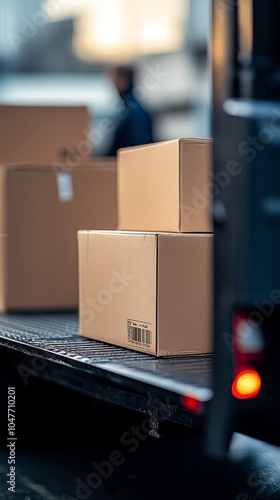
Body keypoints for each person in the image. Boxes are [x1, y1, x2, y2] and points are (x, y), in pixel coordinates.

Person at [105, 64, 154, 156]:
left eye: (114, 79)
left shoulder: (133, 111)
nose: (112, 83)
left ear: (123, 79)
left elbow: (139, 147)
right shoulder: (130, 107)